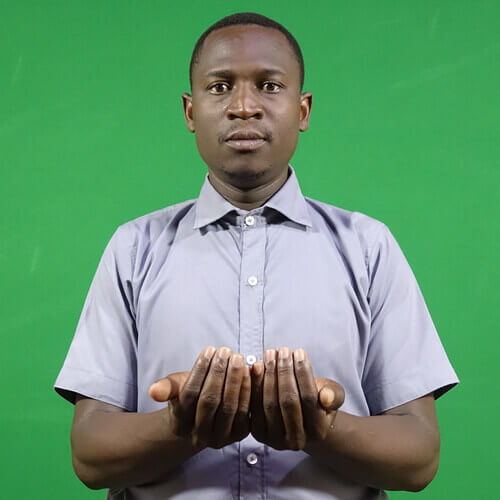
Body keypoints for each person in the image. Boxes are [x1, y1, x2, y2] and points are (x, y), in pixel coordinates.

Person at [54, 12, 459, 500]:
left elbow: (418, 458)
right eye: (220, 87)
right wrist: (178, 426)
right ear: (190, 111)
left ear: (303, 110)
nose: (244, 107)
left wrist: (320, 430)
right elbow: (90, 455)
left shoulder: (368, 247)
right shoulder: (134, 248)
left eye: (269, 86)